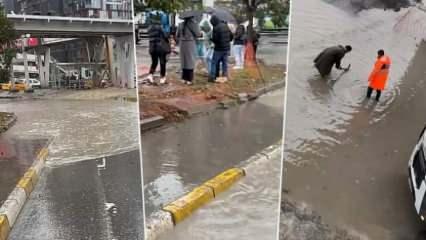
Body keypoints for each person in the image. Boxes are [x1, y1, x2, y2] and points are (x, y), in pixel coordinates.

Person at [177, 16, 202, 85]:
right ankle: (189, 79)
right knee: (190, 61)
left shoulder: (180, 24)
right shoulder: (194, 24)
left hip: (182, 44)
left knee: (184, 61)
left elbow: (177, 35)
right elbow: (198, 34)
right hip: (190, 43)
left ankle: (184, 78)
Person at [209, 15, 234, 82]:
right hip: (226, 48)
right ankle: (224, 76)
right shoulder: (226, 26)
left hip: (218, 49)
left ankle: (212, 77)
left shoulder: (216, 28)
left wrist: (211, 39)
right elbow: (231, 36)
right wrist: (227, 41)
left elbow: (216, 39)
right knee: (224, 63)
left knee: (214, 62)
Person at [147, 18, 170, 85]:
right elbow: (165, 36)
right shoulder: (159, 27)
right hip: (160, 48)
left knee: (154, 62)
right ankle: (162, 79)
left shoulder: (149, 28)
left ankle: (150, 76)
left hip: (152, 48)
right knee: (162, 63)